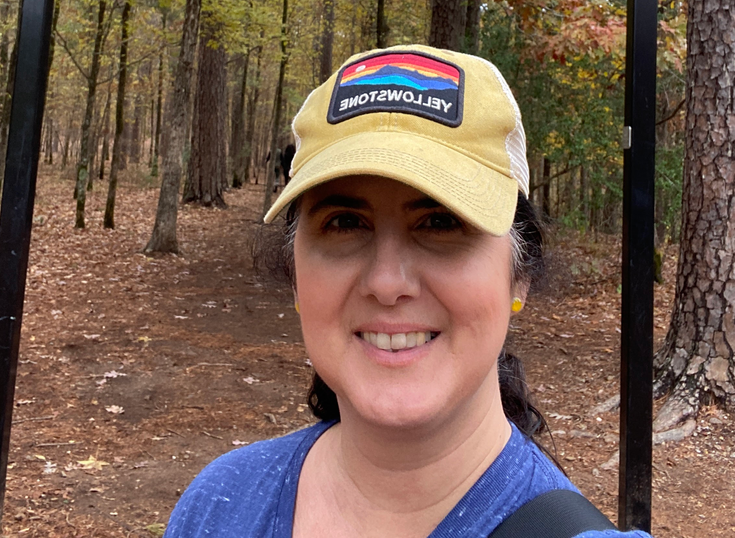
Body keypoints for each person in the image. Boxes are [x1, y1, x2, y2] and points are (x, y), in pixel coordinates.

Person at [164, 45, 654, 538]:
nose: (386, 283)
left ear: (518, 275)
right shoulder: (218, 506)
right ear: (295, 276)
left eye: (440, 222)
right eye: (344, 223)